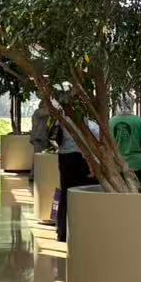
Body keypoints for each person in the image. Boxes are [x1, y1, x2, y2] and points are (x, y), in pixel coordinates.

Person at [54, 103, 99, 241]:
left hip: (64, 158)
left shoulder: (60, 120)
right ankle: (81, 230)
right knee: (83, 192)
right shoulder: (85, 122)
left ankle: (62, 231)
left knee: (66, 193)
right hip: (80, 158)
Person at [110, 106, 141, 185]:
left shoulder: (111, 121)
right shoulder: (139, 121)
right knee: (140, 191)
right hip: (138, 164)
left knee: (120, 193)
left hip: (117, 163)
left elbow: (107, 144)